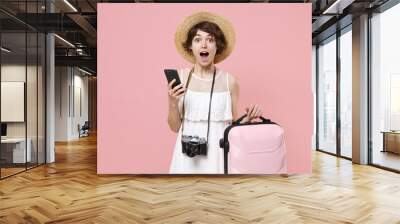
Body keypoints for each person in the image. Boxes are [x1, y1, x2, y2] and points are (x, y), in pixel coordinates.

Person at [168, 11, 263, 174]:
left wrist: (247, 119)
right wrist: (172, 102)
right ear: (191, 46)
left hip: (218, 155)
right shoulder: (181, 78)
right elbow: (175, 127)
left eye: (210, 40)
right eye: (198, 40)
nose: (204, 45)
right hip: (186, 154)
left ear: (217, 46)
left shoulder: (230, 82)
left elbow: (232, 127)